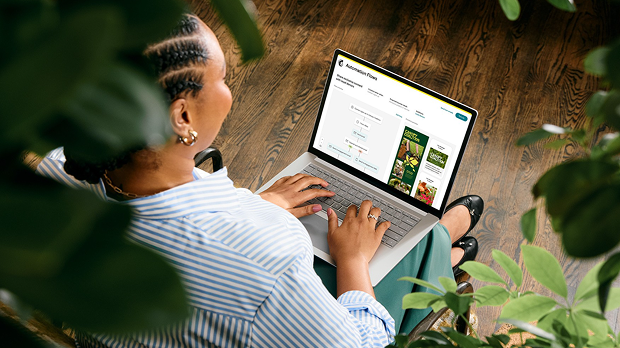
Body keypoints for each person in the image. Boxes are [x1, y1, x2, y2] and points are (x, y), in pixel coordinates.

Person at [37, 14, 483, 347]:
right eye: (222, 78)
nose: (229, 91)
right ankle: (440, 245)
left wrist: (252, 205)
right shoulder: (267, 263)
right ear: (184, 116)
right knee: (399, 243)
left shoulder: (54, 174)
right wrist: (351, 262)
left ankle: (443, 244)